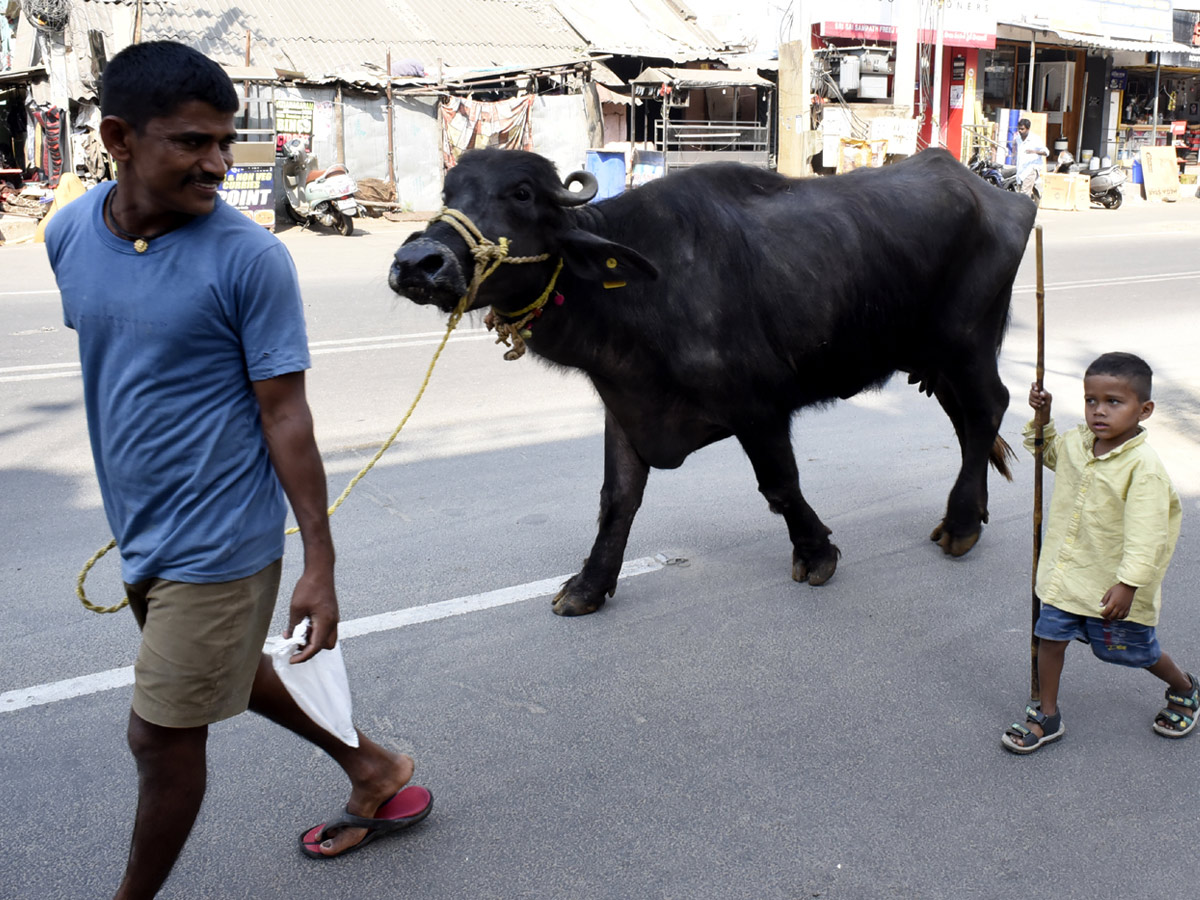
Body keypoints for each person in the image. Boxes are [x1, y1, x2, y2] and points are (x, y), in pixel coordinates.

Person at [44, 41, 432, 898]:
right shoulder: (67, 231)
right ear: (117, 137)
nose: (218, 164)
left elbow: (285, 414)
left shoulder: (249, 258)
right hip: (140, 529)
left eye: (225, 141)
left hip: (220, 543)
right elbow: (130, 369)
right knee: (223, 673)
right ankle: (374, 766)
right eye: (191, 142)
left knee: (161, 738)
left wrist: (320, 565)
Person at [1002, 352, 1193, 754]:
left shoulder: (1144, 468)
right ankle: (1048, 713)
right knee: (1049, 638)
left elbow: (1148, 534)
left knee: (1137, 651)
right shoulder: (1077, 443)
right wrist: (1043, 417)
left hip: (1111, 587)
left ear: (1145, 410)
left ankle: (1184, 686)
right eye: (1091, 401)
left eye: (1113, 402)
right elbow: (1047, 452)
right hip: (1066, 576)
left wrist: (1128, 585)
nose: (1098, 411)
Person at [1012, 118, 1048, 198]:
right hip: (1021, 169)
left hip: (1031, 168)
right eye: (1019, 129)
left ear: (1028, 129)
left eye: (1022, 129)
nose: (1020, 131)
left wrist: (1034, 151)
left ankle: (1022, 210)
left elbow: (1046, 152)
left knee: (1024, 193)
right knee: (1020, 192)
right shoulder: (1018, 138)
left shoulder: (1035, 139)